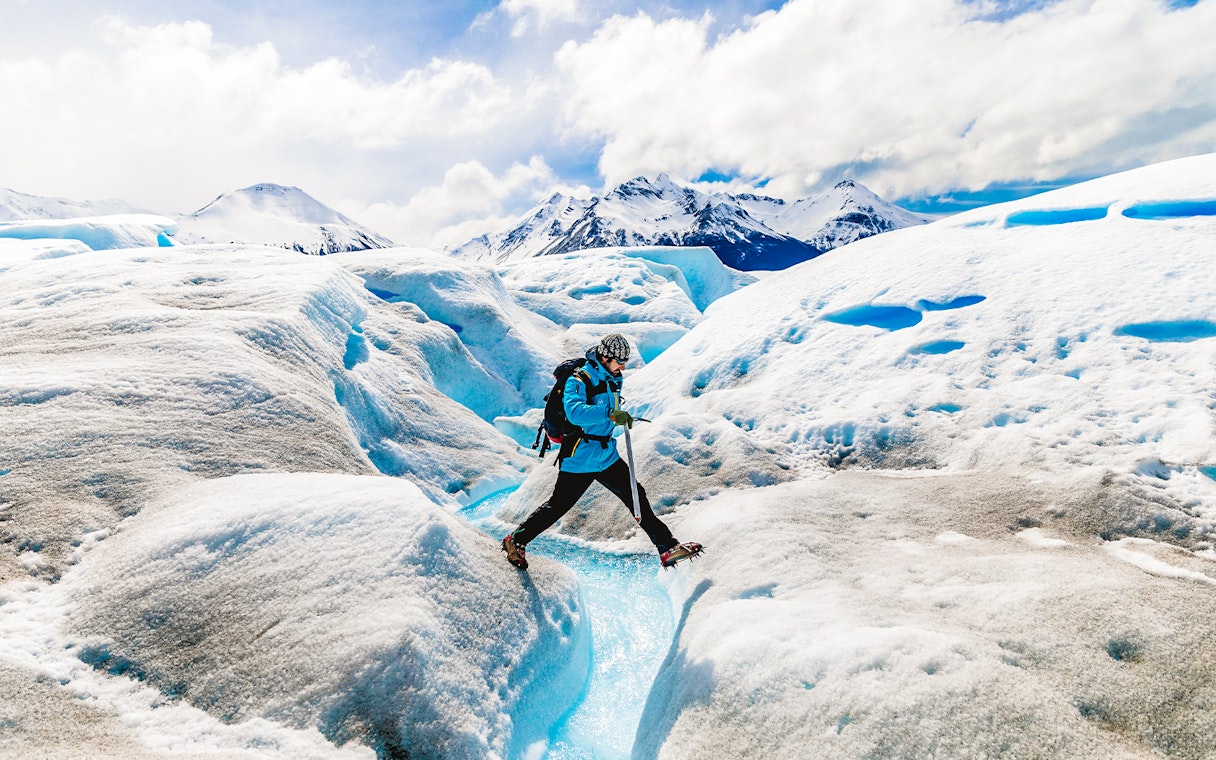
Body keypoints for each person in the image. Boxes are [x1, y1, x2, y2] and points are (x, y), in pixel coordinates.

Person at [502, 333, 699, 570]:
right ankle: (515, 540)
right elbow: (575, 412)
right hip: (580, 456)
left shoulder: (613, 378)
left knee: (636, 496)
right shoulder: (580, 379)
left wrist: (619, 418)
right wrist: (609, 415)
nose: (623, 366)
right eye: (619, 361)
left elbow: (608, 410)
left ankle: (667, 548)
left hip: (605, 454)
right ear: (604, 357)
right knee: (558, 506)